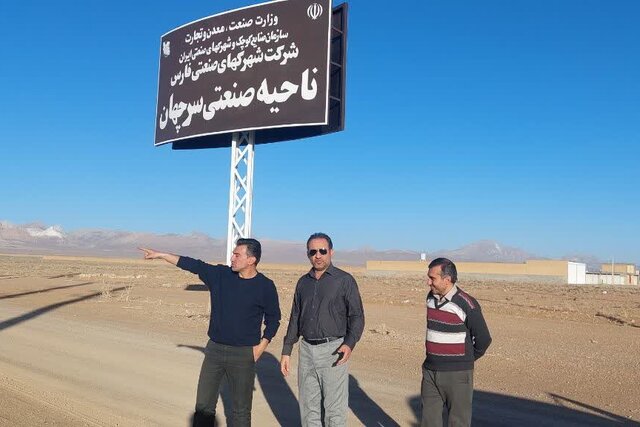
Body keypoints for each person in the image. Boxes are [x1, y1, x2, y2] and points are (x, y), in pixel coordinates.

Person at [139, 238, 280, 427]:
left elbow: (273, 319)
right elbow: (193, 264)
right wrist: (162, 255)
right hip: (214, 351)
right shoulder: (220, 275)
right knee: (203, 407)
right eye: (233, 254)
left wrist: (260, 348)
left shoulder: (265, 286)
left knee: (241, 411)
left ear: (251, 260)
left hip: (244, 354)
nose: (232, 258)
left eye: (237, 255)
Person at [280, 232, 365, 426]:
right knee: (308, 408)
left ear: (331, 252)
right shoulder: (303, 282)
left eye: (322, 251)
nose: (317, 255)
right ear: (307, 254)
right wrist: (287, 350)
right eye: (313, 252)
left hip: (333, 350)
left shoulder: (344, 280)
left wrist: (349, 343)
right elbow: (295, 316)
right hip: (306, 350)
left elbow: (357, 316)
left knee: (334, 410)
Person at [421, 258, 491, 427]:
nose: (428, 282)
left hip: (457, 374)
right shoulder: (430, 298)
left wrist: (464, 360)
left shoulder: (466, 304)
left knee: (458, 422)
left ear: (447, 279)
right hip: (430, 371)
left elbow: (483, 339)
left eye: (432, 278)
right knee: (428, 421)